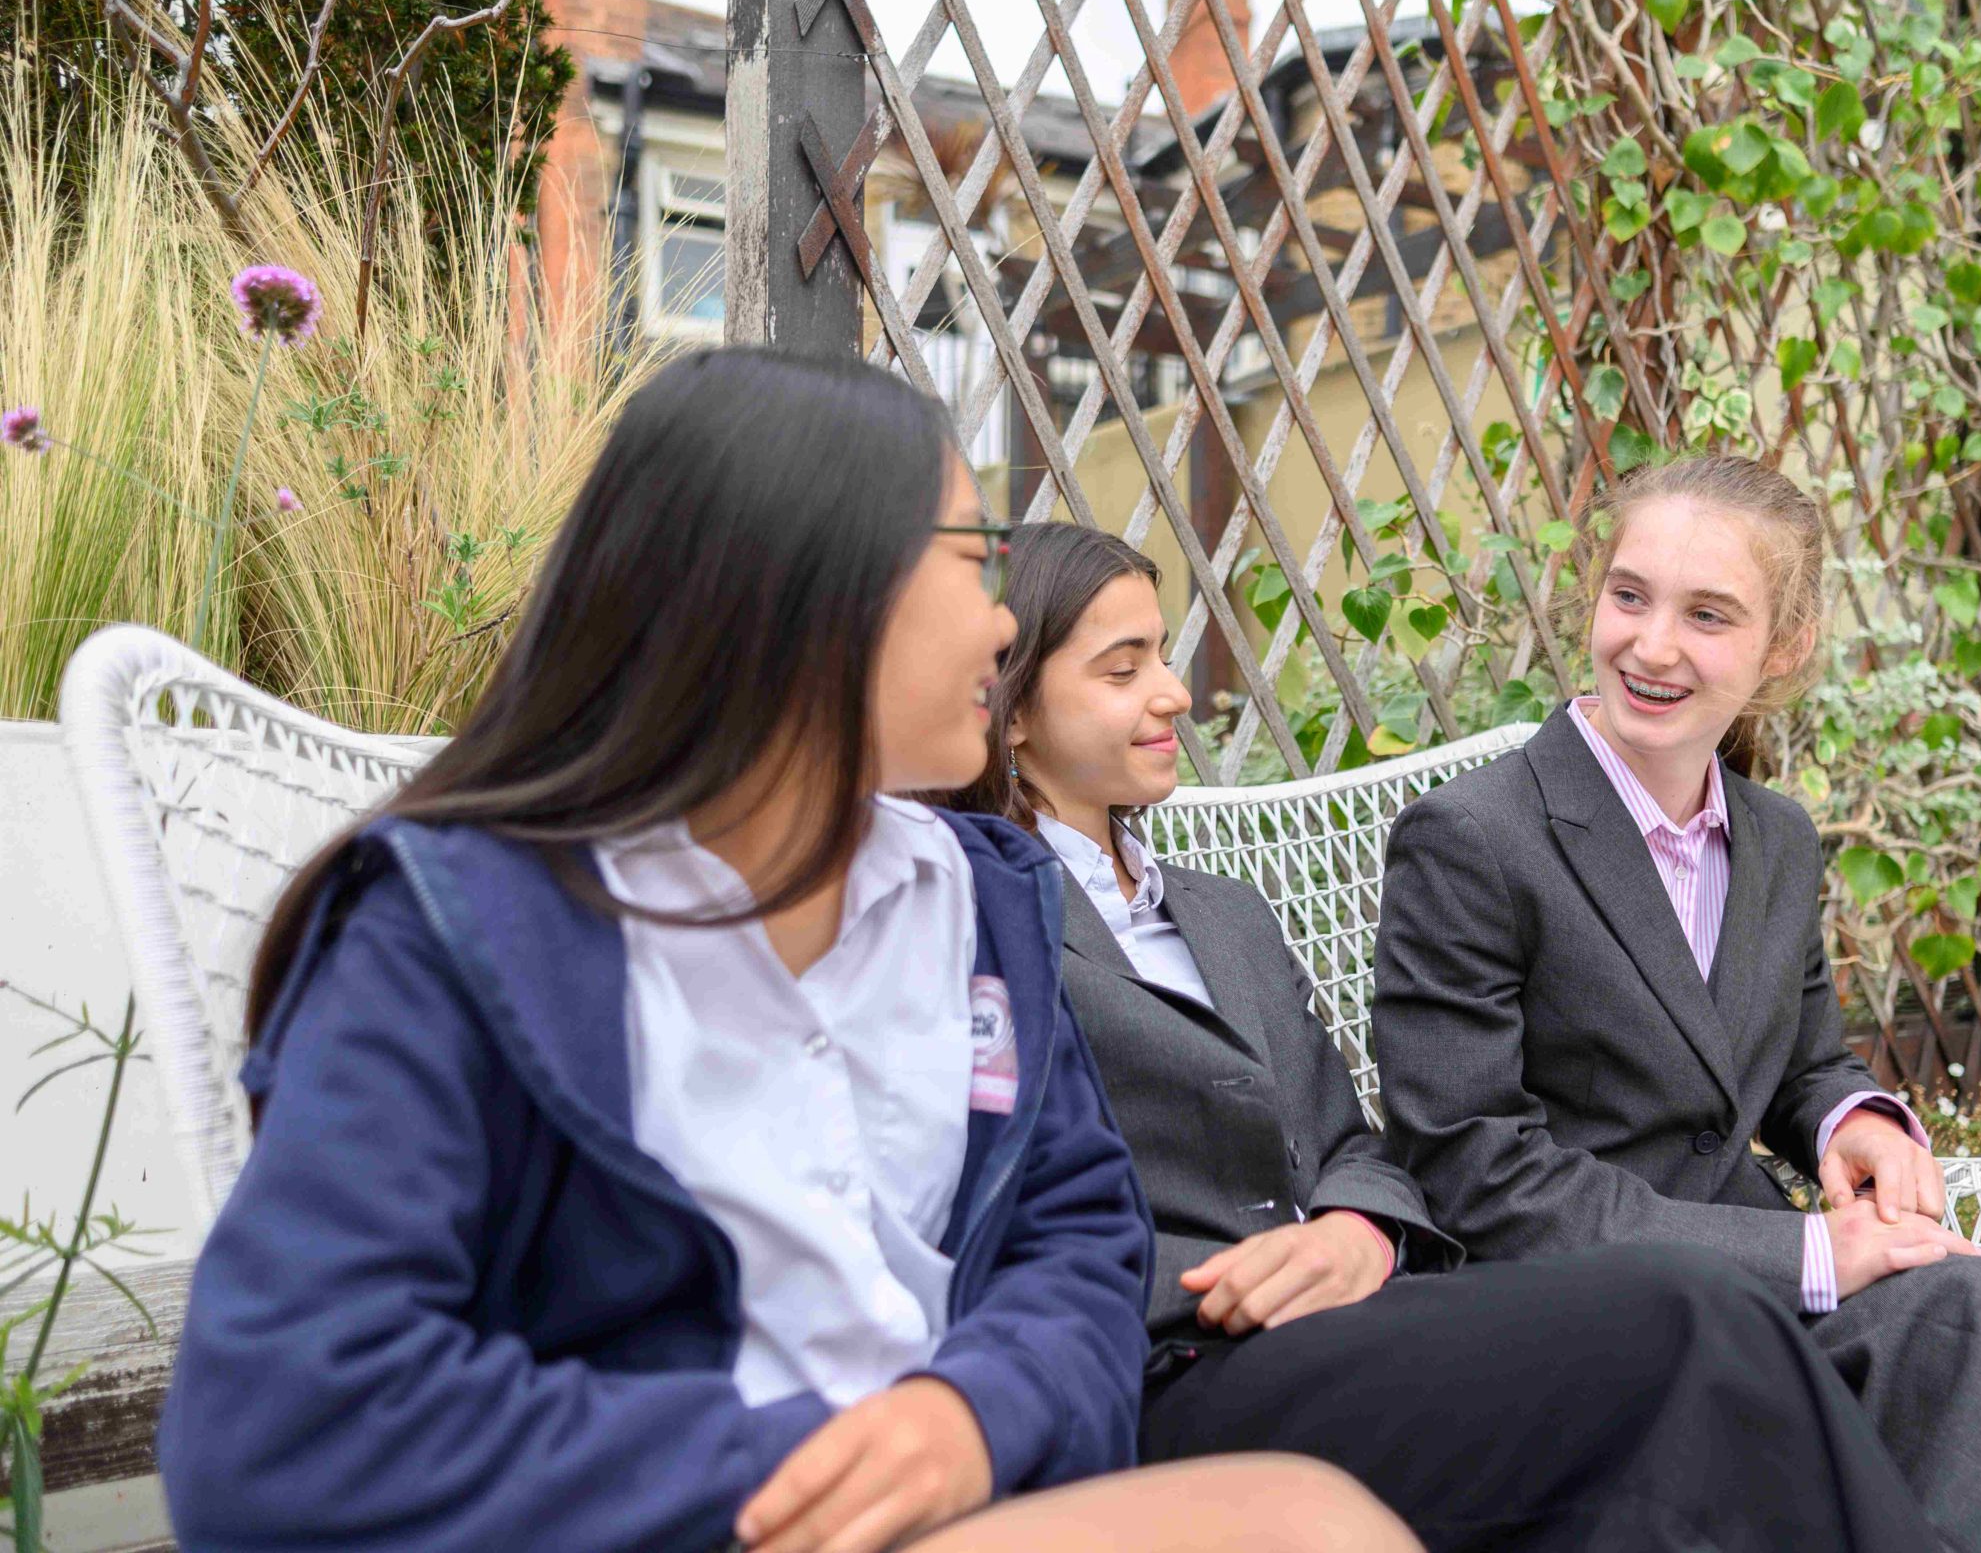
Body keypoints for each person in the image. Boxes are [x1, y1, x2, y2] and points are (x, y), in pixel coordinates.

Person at [155, 349, 1417, 1553]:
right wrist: (797, 1462)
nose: (998, 631)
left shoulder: (983, 903)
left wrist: (970, 1416)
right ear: (802, 587)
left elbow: (1080, 1242)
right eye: (976, 563)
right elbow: (285, 1422)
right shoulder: (464, 926)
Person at [942, 520, 1938, 1553]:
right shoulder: (971, 913)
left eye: (1163, 652)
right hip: (1178, 1362)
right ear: (1011, 711)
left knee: (1724, 1376)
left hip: (1359, 1316)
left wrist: (1359, 1229)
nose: (1174, 691)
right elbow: (985, 1192)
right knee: (1684, 1315)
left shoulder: (1220, 909)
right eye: (1123, 668)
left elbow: (1354, 1143)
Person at [1371, 453, 1981, 1553]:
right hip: (1583, 1318)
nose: (1652, 644)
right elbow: (1471, 1169)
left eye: (1708, 614)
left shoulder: (1773, 837)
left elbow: (1802, 1060)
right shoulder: (1476, 837)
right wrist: (1813, 1259)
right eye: (1630, 595)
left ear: (1783, 649)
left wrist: (1855, 1119)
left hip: (1756, 1289)